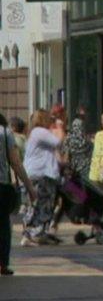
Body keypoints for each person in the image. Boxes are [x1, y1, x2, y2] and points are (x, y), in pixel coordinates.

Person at [22, 109, 64, 246]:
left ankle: (38, 233)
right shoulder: (40, 131)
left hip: (35, 173)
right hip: (41, 174)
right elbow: (58, 142)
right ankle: (32, 234)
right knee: (41, 204)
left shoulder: (34, 133)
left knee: (39, 204)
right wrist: (60, 127)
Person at [0, 113, 36, 275]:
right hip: (1, 185)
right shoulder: (4, 132)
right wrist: (29, 186)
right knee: (2, 225)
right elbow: (15, 161)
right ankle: (2, 263)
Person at [62, 109, 93, 180]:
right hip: (86, 170)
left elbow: (66, 153)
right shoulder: (86, 142)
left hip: (75, 171)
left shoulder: (68, 138)